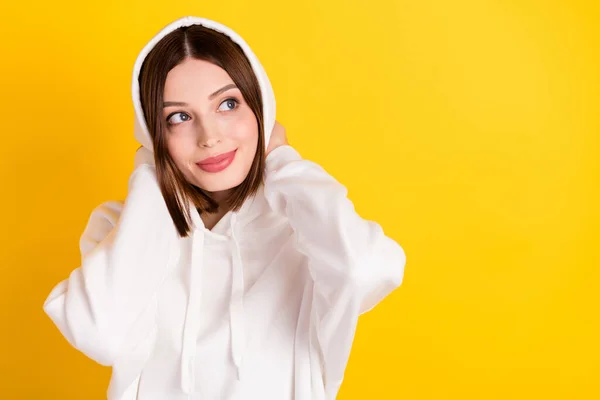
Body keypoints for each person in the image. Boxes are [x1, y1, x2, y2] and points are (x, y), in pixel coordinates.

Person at [43, 15, 407, 400]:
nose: (210, 137)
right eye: (178, 118)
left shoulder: (304, 229)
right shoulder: (123, 227)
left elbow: (365, 269)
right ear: (152, 133)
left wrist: (283, 160)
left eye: (228, 104)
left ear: (260, 108)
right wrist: (152, 178)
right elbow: (105, 336)